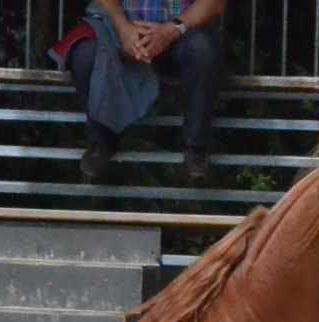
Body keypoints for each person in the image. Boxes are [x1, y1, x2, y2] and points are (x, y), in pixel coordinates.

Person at [51, 0, 227, 184]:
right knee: (85, 54)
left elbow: (214, 4)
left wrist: (169, 31)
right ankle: (102, 142)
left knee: (203, 51)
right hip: (121, 31)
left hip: (180, 32)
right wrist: (123, 28)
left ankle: (196, 150)